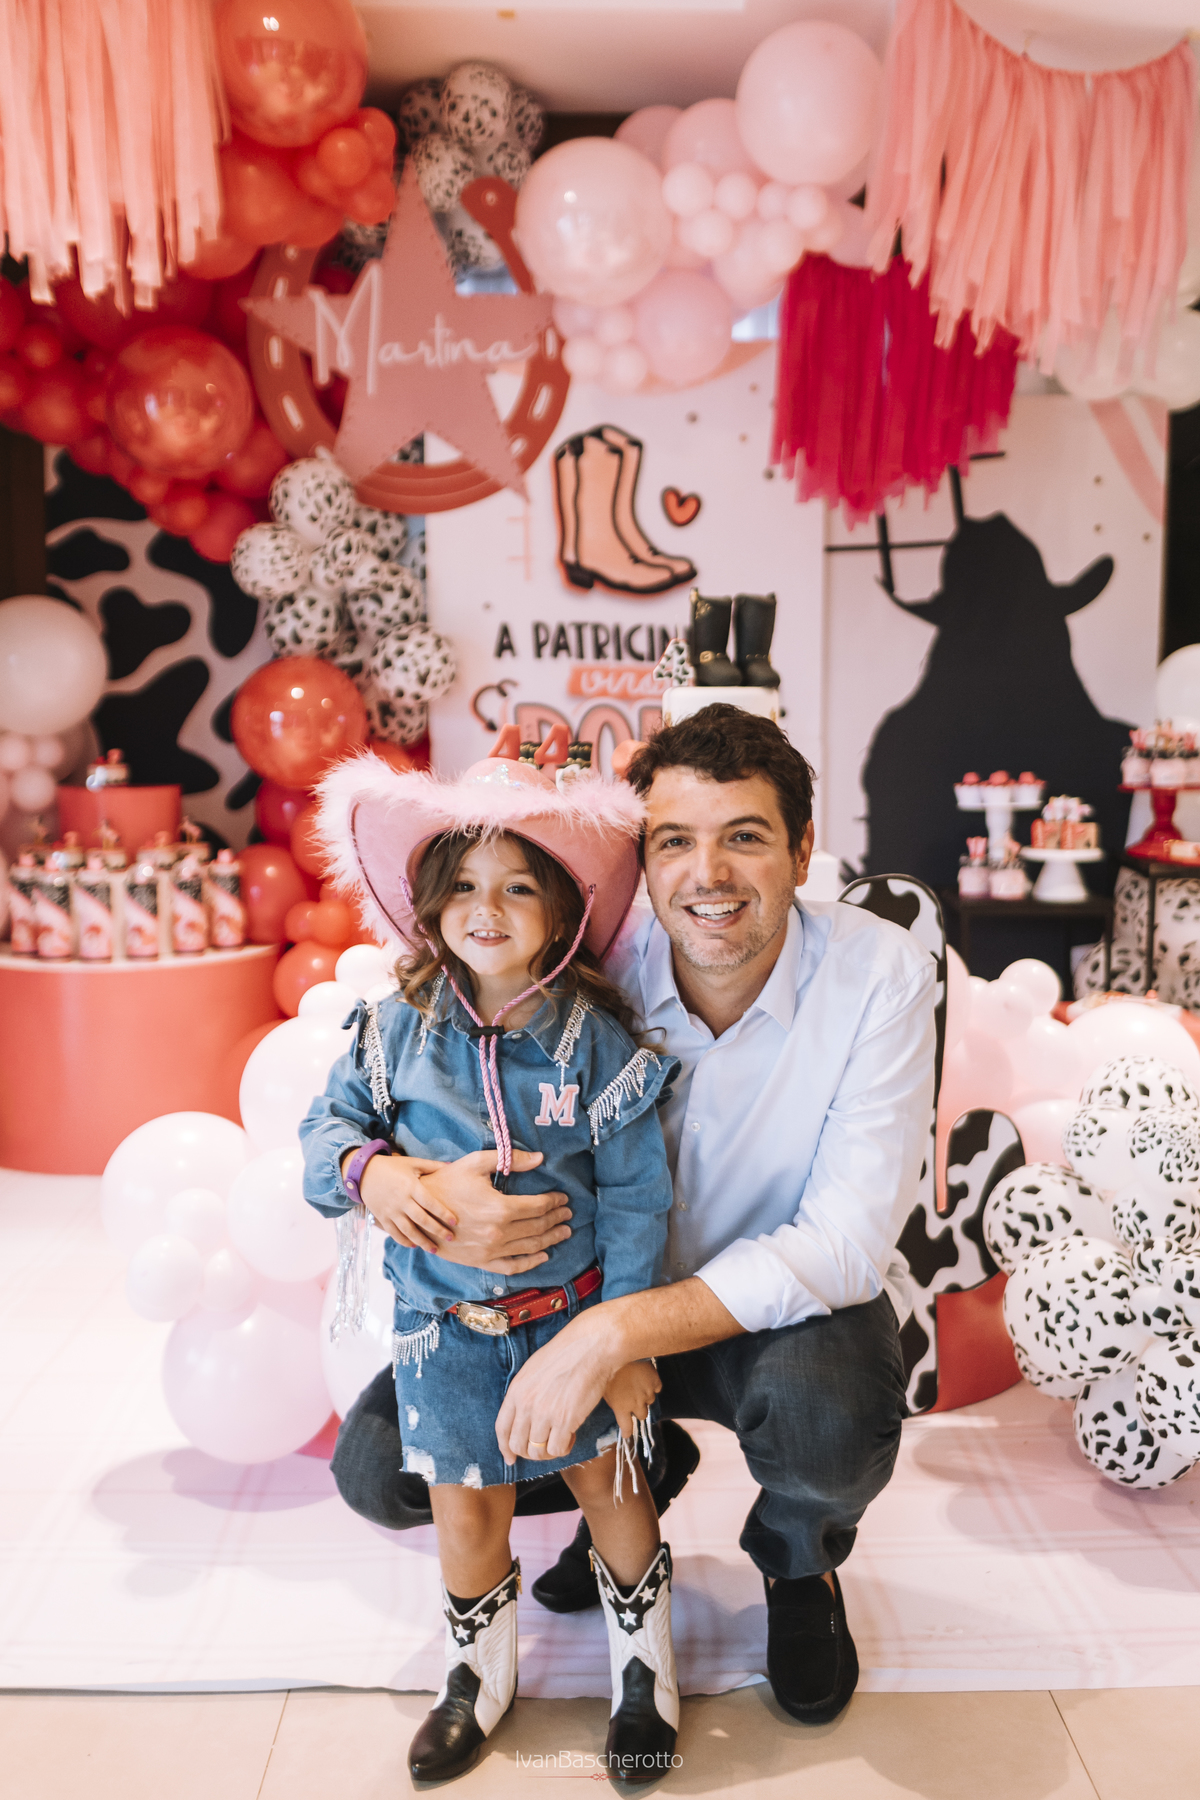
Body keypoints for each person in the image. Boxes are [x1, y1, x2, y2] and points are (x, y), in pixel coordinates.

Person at [327, 705, 937, 1732]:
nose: (708, 874)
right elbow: (412, 1087)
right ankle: (632, 1473)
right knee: (383, 1471)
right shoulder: (582, 951)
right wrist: (399, 1184)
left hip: (760, 1317)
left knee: (829, 1424)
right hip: (558, 1296)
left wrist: (612, 1334)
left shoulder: (880, 974)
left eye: (745, 837)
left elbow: (843, 1245)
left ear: (802, 852)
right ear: (641, 858)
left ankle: (798, 1569)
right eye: (674, 841)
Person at [300, 740, 685, 1787]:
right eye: (464, 886)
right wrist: (376, 1174)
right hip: (445, 1334)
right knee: (465, 1507)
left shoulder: (595, 1041)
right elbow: (324, 1138)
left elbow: (639, 1198)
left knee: (610, 1483)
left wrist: (625, 1342)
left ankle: (644, 1670)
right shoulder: (391, 1031)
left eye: (518, 886)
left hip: (574, 1325)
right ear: (430, 907)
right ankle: (474, 1676)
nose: (488, 907)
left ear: (561, 912)